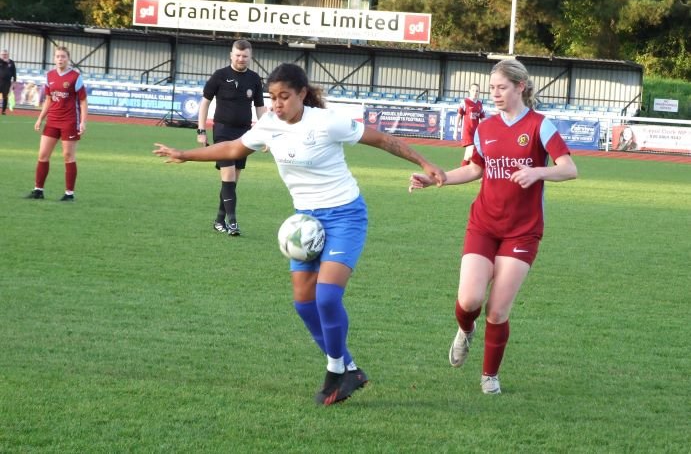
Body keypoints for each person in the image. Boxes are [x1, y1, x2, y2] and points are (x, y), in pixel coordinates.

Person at [154, 63, 446, 405]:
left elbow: (382, 139)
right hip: (306, 221)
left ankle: (336, 371)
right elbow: (233, 148)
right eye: (272, 97)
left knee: (327, 298)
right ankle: (350, 368)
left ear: (302, 94)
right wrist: (185, 155)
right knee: (304, 303)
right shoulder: (269, 126)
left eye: (284, 97)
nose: (277, 104)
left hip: (345, 216)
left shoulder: (326, 122)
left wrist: (424, 163)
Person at [409, 59, 577, 395]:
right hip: (483, 224)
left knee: (497, 310)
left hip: (522, 230)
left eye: (502, 87)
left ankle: (489, 376)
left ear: (520, 87)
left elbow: (569, 168)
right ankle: (465, 330)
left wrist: (537, 172)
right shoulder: (485, 128)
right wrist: (434, 180)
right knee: (470, 300)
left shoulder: (541, 126)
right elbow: (474, 170)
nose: (495, 94)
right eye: (492, 88)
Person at [197, 39, 267, 236]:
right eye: (238, 55)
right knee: (227, 176)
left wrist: (265, 135)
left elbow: (260, 108)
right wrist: (201, 131)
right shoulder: (220, 76)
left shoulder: (254, 79)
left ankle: (219, 220)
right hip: (222, 132)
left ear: (250, 57)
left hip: (245, 133)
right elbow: (204, 104)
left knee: (233, 181)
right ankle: (233, 223)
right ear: (231, 55)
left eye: (245, 56)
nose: (241, 59)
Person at [27, 46, 88, 201]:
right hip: (52, 121)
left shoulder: (75, 77)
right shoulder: (50, 76)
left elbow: (82, 101)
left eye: (63, 56)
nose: (60, 59)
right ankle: (38, 190)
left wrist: (83, 122)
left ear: (68, 59)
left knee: (68, 156)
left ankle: (69, 193)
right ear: (54, 58)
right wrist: (40, 118)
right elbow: (48, 99)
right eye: (58, 56)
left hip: (69, 122)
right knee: (43, 155)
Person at [455, 83, 485, 166]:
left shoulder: (479, 104)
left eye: (477, 91)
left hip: (476, 133)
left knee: (468, 156)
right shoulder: (465, 102)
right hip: (467, 132)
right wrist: (455, 131)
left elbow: (482, 119)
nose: (475, 92)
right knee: (471, 153)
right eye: (473, 90)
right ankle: (465, 172)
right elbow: (458, 116)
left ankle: (463, 172)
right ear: (469, 91)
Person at [0, 48, 17, 115]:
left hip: (7, 83)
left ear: (8, 55)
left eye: (5, 54)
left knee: (5, 97)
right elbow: (3, 61)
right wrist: (4, 61)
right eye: (3, 54)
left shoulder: (11, 62)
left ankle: (3, 111)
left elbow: (14, 73)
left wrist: (14, 82)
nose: (4, 55)